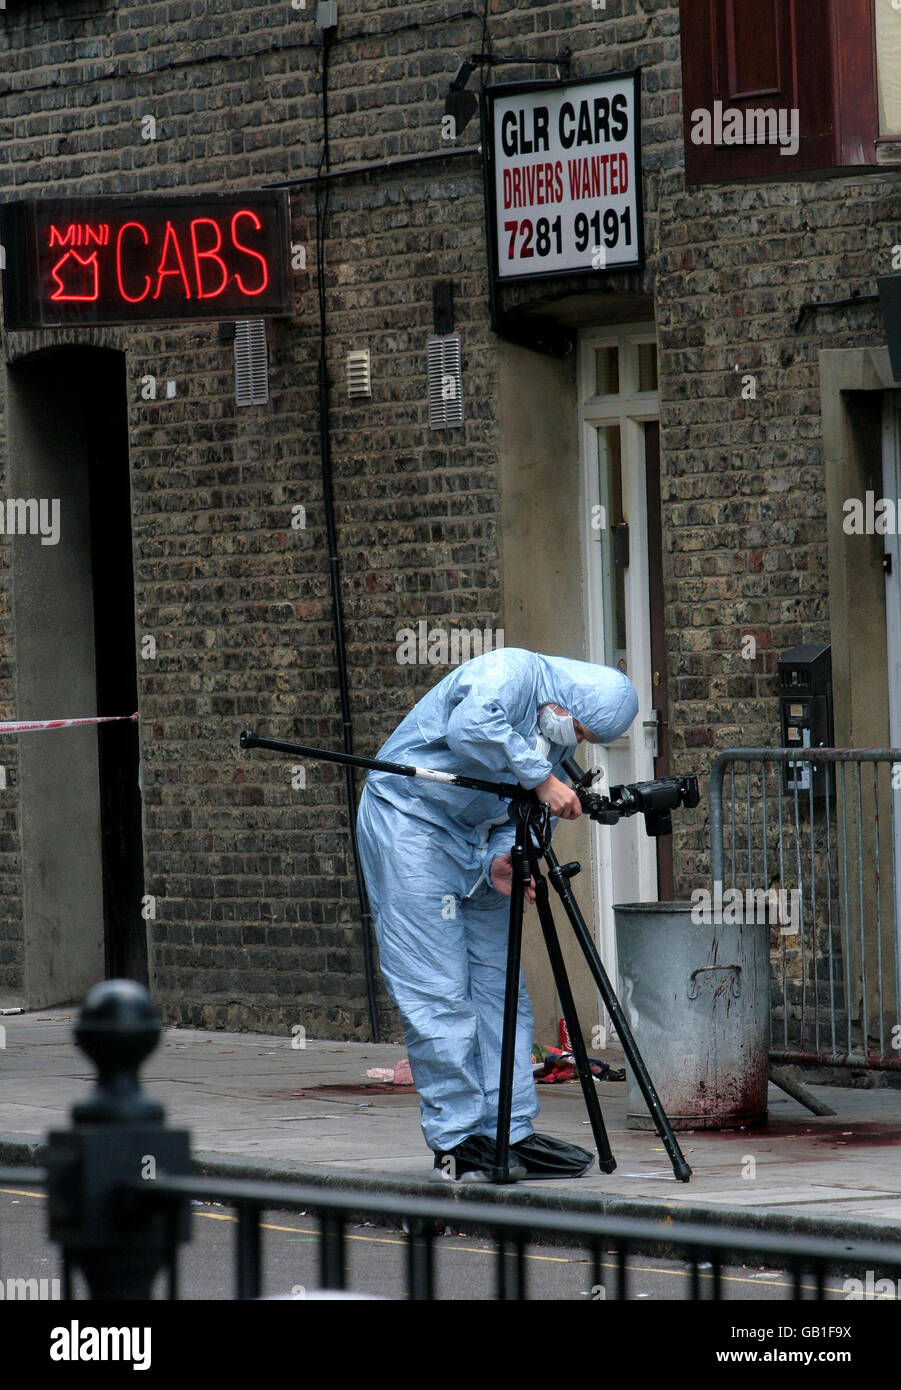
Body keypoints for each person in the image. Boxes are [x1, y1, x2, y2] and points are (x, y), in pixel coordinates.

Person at [355, 647, 638, 1182]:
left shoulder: (551, 737)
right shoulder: (509, 672)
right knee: (437, 987)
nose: (575, 739)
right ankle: (458, 1137)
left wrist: (507, 857)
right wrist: (540, 778)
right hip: (411, 823)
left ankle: (510, 1127)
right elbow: (471, 728)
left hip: (476, 843)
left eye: (585, 738)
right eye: (580, 728)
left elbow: (523, 809)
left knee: (500, 987)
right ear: (572, 698)